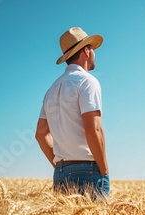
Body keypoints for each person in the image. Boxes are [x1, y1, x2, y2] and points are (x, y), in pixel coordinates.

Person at [35, 27, 109, 200]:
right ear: (86, 50)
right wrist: (104, 170)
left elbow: (40, 134)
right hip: (89, 170)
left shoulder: (51, 90)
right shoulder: (87, 82)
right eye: (92, 49)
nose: (94, 54)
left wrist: (60, 164)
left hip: (61, 172)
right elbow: (94, 129)